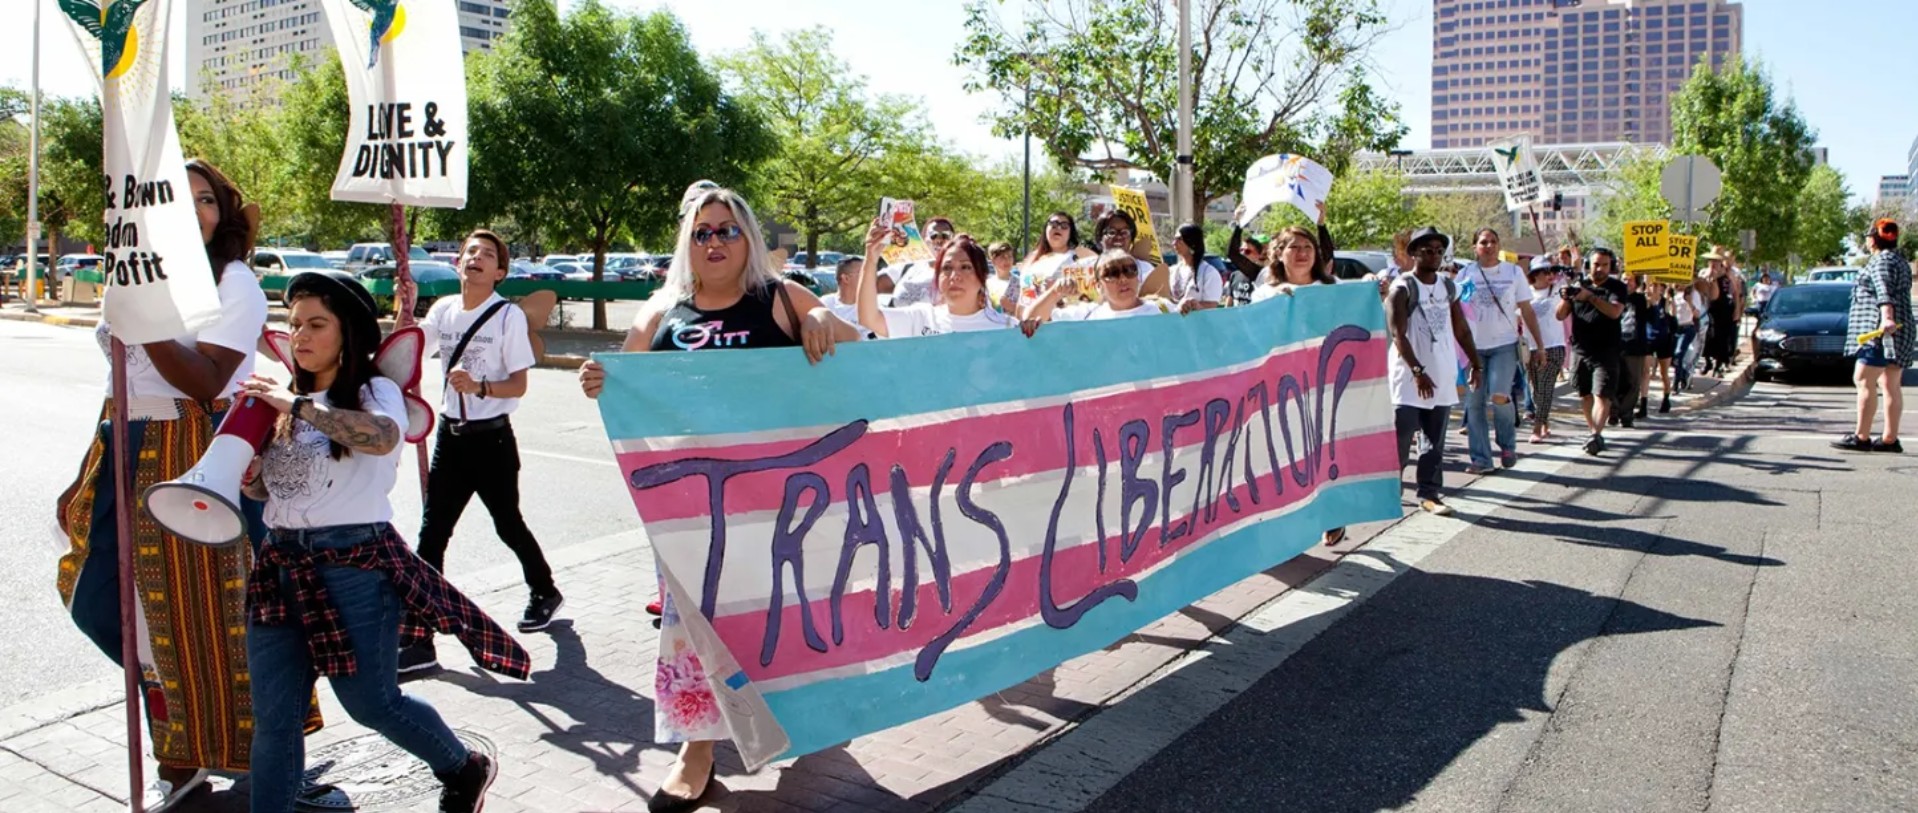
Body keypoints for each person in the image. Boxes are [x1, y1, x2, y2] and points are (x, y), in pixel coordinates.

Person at [577, 186, 862, 812]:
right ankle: (697, 750)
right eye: (702, 232)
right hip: (688, 509)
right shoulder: (660, 314)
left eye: (727, 230)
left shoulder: (784, 300)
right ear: (687, 242)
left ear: (749, 240)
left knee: (780, 614)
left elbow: (865, 355)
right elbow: (621, 390)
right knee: (691, 628)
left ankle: (807, 720)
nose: (713, 242)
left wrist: (822, 320)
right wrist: (599, 380)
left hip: (778, 502)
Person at [240, 270, 527, 813]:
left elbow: (382, 438)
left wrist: (294, 406)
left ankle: (462, 765)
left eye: (316, 324)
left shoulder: (375, 391)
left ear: (347, 332)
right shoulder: (283, 401)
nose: (300, 335)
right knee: (274, 719)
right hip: (280, 565)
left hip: (355, 566)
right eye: (294, 323)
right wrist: (249, 474)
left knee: (372, 702)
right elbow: (271, 490)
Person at [54, 158, 269, 810]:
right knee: (100, 601)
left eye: (206, 199)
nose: (195, 210)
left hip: (192, 445)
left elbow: (207, 380)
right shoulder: (138, 273)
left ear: (222, 212)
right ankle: (184, 725)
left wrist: (144, 318)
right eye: (179, 199)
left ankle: (219, 757)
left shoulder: (236, 283)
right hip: (122, 438)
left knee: (210, 621)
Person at [402, 230, 561, 677]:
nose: (476, 258)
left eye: (487, 255)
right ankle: (419, 635)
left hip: (491, 440)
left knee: (507, 523)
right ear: (458, 264)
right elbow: (409, 352)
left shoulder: (506, 317)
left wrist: (480, 387)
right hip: (451, 438)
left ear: (500, 273)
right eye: (471, 251)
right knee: (431, 535)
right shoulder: (443, 310)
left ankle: (544, 590)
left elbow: (519, 385)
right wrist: (404, 305)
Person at [1385, 227, 1479, 516]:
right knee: (1401, 438)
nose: (1435, 255)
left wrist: (1476, 362)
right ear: (1413, 253)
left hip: (1441, 374)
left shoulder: (1448, 287)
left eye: (1439, 250)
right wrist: (1417, 370)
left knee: (1434, 440)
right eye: (1428, 250)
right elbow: (1398, 334)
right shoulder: (1402, 287)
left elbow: (1460, 327)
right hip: (1409, 377)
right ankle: (1390, 493)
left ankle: (1429, 493)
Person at [1455, 229, 1542, 472]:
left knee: (1499, 396)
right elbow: (1454, 310)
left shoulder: (1513, 273)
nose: (1489, 246)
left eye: (1493, 241)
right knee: (1474, 403)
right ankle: (1481, 459)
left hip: (1504, 345)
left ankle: (1507, 444)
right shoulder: (1465, 274)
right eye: (1483, 242)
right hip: (1473, 348)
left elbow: (1527, 310)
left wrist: (1539, 345)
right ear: (1475, 247)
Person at [1833, 219, 1912, 453]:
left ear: (1873, 239)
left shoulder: (1881, 261)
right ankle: (1889, 439)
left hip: (1879, 331)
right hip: (1898, 329)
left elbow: (1883, 290)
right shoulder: (1899, 261)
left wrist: (1886, 317)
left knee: (1863, 379)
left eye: (1868, 236)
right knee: (1890, 384)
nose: (1866, 241)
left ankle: (1862, 436)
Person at [855, 224, 1015, 337]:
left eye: (965, 267)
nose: (954, 276)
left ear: (982, 277)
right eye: (946, 268)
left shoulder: (1007, 328)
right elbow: (869, 318)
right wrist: (871, 258)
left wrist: (1035, 331)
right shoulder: (921, 317)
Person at [1558, 247, 1629, 455]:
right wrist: (1567, 297)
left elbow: (1615, 312)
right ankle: (1593, 432)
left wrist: (1590, 297)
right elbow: (1560, 315)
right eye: (1596, 264)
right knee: (1585, 395)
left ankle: (1596, 434)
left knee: (1602, 395)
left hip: (1607, 350)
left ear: (1611, 266)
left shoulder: (1617, 288)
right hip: (1581, 349)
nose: (1600, 269)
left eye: (1605, 265)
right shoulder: (1579, 285)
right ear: (1590, 265)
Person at [1019, 249, 1173, 331]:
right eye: (1112, 273)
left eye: (1130, 270)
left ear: (1138, 277)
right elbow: (1031, 318)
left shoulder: (1163, 308)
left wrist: (1193, 307)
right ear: (1098, 286)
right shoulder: (1087, 315)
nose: (1123, 278)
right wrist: (1054, 293)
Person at [1523, 256, 1568, 444]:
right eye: (1544, 272)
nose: (1549, 275)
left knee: (1547, 387)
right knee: (1536, 389)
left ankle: (1537, 427)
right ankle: (1545, 421)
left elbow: (1572, 275)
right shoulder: (1526, 294)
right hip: (1532, 347)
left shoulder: (1558, 290)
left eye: (1550, 272)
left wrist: (1565, 264)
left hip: (1554, 346)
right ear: (1534, 275)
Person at [1016, 211, 1098, 305]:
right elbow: (1023, 295)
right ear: (1046, 229)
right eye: (1053, 224)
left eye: (1064, 226)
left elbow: (1099, 285)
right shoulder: (1033, 258)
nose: (1058, 228)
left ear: (1070, 232)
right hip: (1034, 315)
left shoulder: (1082, 254)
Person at [878, 216, 954, 307]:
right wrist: (873, 253)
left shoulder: (960, 272)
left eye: (946, 235)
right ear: (923, 239)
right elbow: (872, 286)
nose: (939, 240)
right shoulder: (907, 265)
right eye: (933, 235)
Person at [1614, 274, 1651, 426]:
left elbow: (1649, 303)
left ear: (1636, 284)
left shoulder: (1640, 300)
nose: (1626, 282)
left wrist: (1649, 282)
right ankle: (1613, 411)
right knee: (1614, 380)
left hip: (1634, 345)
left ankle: (1626, 413)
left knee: (1633, 381)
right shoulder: (1613, 298)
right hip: (1616, 344)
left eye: (1629, 280)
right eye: (1623, 279)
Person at [1699, 247, 1742, 376]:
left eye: (1717, 261)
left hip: (1724, 309)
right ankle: (1707, 361)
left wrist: (1737, 309)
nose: (1714, 263)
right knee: (1708, 336)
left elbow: (1735, 292)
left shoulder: (1728, 274)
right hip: (1709, 308)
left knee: (1722, 338)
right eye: (1712, 260)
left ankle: (1718, 366)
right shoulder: (1704, 273)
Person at [1169, 222, 1223, 313]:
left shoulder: (1209, 273)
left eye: (1179, 239)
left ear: (1191, 242)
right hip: (1174, 324)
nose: (1174, 243)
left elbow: (1212, 306)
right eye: (1174, 239)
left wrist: (1195, 305)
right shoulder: (1173, 270)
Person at [1644, 281, 1680, 414]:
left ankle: (1666, 399)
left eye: (1657, 286)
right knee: (1645, 372)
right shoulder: (1647, 302)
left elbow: (1672, 315)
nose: (1654, 288)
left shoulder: (1666, 303)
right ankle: (1643, 401)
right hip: (1649, 340)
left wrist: (1671, 300)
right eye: (1652, 285)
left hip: (1664, 340)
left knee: (1663, 372)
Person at [1671, 272, 1704, 391]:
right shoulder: (1674, 294)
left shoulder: (1694, 295)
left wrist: (1689, 302)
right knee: (1673, 357)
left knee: (1679, 352)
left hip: (1688, 328)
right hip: (1676, 328)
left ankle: (1676, 383)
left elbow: (1697, 314)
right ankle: (1683, 373)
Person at [823, 255, 863, 324]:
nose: (868, 277)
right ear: (846, 278)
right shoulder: (824, 305)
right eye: (862, 273)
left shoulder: (872, 307)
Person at [985, 241, 1017, 309]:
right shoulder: (987, 284)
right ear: (993, 260)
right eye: (1003, 257)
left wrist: (1012, 307)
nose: (1007, 260)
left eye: (1010, 256)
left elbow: (1028, 309)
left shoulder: (1020, 283)